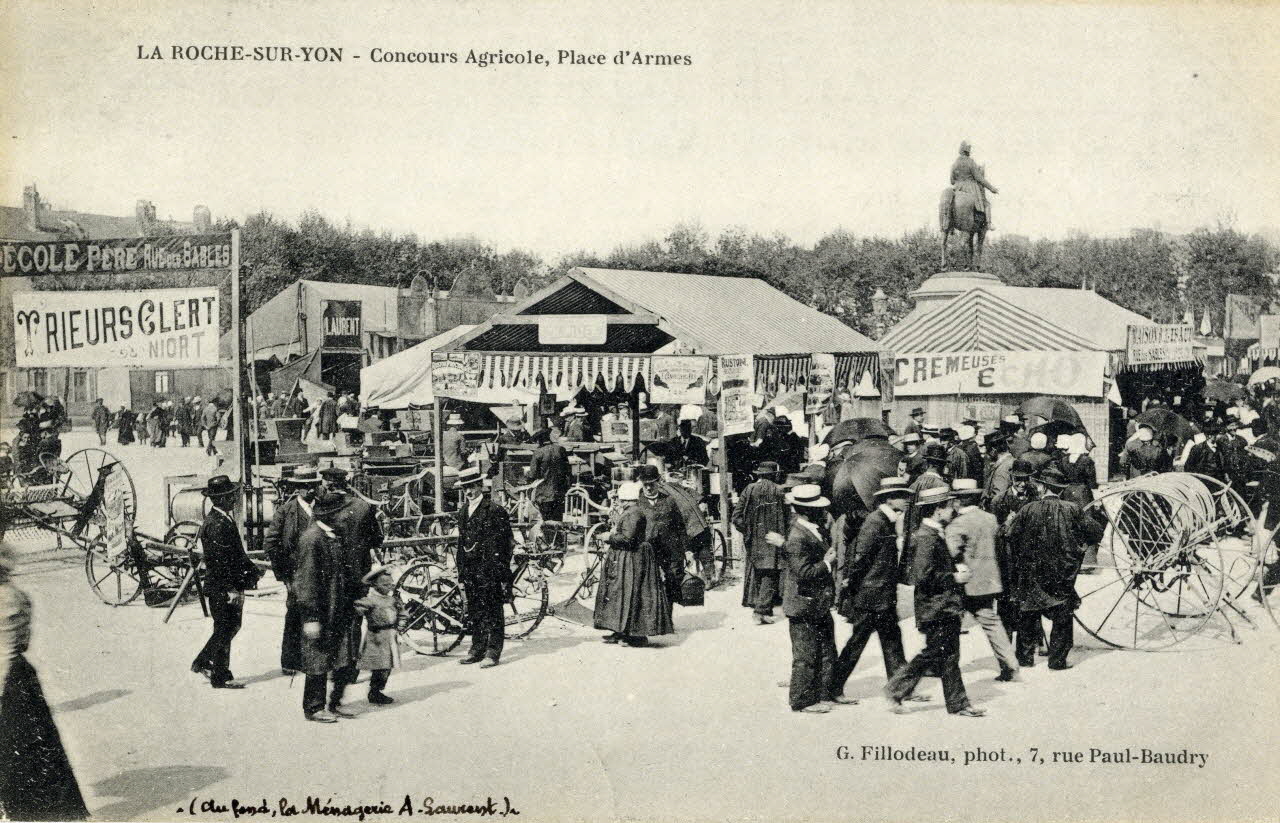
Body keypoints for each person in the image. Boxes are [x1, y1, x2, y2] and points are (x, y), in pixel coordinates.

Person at [0, 542, 91, 821]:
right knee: (31, 750)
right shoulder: (16, 597)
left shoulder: (9, 599)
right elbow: (22, 643)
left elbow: (9, 647)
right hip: (16, 678)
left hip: (6, 677)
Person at [885, 486, 985, 717]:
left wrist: (953, 568)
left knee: (947, 655)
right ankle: (896, 688)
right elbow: (922, 576)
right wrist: (954, 577)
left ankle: (957, 704)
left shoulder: (933, 533)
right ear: (938, 510)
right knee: (935, 653)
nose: (953, 510)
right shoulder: (927, 538)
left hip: (942, 605)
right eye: (950, 506)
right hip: (937, 606)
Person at [831, 478, 927, 701]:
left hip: (882, 595)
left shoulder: (887, 520)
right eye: (901, 496)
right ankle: (833, 688)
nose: (906, 501)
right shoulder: (876, 521)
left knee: (892, 642)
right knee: (856, 645)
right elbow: (862, 556)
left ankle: (901, 688)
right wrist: (851, 583)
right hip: (871, 596)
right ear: (888, 499)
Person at [1003, 465, 1104, 670]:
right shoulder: (1072, 509)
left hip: (1032, 570)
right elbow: (1095, 531)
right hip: (1061, 571)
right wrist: (1079, 545)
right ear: (1060, 489)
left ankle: (1025, 658)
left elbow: (1010, 535)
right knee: (1062, 615)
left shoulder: (1028, 509)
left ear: (1042, 487)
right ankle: (1057, 660)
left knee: (1028, 613)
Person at [775, 483, 848, 713]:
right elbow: (804, 572)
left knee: (826, 648)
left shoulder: (812, 529)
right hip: (803, 603)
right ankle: (802, 700)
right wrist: (828, 563)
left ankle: (825, 692)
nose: (823, 511)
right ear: (806, 510)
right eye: (818, 508)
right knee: (805, 654)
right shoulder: (798, 536)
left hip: (816, 602)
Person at [293, 492, 358, 722]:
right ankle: (313, 706)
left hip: (337, 607)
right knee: (317, 657)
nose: (346, 517)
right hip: (321, 609)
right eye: (342, 513)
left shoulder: (333, 535)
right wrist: (310, 616)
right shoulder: (313, 539)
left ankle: (335, 702)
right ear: (331, 515)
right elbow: (306, 580)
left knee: (341, 654)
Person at [190, 476, 260, 690]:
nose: (233, 499)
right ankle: (219, 675)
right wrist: (231, 589)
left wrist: (252, 572)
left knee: (228, 626)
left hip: (224, 585)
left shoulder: (221, 519)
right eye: (229, 496)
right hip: (223, 587)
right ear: (219, 499)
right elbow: (221, 562)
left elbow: (236, 555)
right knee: (225, 628)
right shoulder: (217, 524)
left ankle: (204, 662)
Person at [946, 479, 1020, 681]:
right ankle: (1010, 665)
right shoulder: (990, 519)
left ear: (958, 502)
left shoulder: (958, 524)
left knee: (949, 625)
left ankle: (941, 665)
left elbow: (950, 554)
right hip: (989, 581)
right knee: (992, 624)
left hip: (966, 583)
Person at [593, 481, 674, 646]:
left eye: (619, 499)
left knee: (632, 595)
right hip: (626, 558)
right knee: (620, 594)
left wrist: (608, 537)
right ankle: (619, 630)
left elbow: (627, 539)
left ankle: (635, 635)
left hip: (633, 559)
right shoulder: (631, 511)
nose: (617, 502)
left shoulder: (633, 513)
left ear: (625, 500)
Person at [264, 466, 321, 674]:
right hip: (295, 575)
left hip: (320, 573)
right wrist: (285, 576)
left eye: (312, 486)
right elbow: (271, 544)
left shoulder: (324, 508)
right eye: (304, 487)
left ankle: (315, 659)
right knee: (295, 616)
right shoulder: (285, 512)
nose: (310, 491)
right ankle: (290, 661)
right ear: (297, 489)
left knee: (319, 616)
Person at [454, 467, 514, 667]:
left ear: (480, 486)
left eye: (472, 487)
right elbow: (461, 543)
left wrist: (501, 573)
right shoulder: (463, 511)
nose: (469, 492)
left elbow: (506, 545)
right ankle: (477, 649)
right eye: (465, 488)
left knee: (493, 610)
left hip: (489, 570)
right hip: (471, 570)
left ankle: (493, 652)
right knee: (475, 610)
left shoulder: (495, 511)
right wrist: (461, 569)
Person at [733, 461, 789, 624]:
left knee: (759, 572)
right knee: (770, 574)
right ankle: (761, 611)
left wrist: (748, 532)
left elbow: (736, 517)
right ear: (774, 475)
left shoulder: (749, 489)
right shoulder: (779, 491)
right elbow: (787, 518)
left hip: (754, 540)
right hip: (774, 539)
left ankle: (761, 607)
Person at [635, 464, 687, 622]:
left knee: (670, 583)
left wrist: (686, 550)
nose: (649, 488)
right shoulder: (637, 502)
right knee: (647, 585)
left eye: (652, 483)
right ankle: (648, 620)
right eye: (646, 484)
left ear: (658, 482)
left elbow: (680, 527)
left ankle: (666, 619)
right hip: (647, 550)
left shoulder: (669, 501)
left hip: (670, 550)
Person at [899, 443, 949, 583]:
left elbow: (907, 513)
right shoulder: (943, 487)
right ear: (941, 465)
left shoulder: (915, 483)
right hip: (932, 538)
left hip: (913, 536)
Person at [353, 565, 401, 705]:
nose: (389, 587)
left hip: (390, 637)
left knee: (387, 666)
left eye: (391, 584)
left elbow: (402, 612)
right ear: (375, 585)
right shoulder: (370, 600)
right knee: (379, 666)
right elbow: (357, 608)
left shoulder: (393, 600)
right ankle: (374, 691)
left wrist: (401, 624)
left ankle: (378, 690)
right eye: (385, 584)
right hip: (376, 637)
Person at [949, 139, 999, 229]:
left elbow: (952, 181)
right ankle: (989, 224)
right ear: (968, 150)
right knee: (987, 204)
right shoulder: (970, 162)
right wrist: (992, 188)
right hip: (971, 188)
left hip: (957, 188)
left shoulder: (954, 164)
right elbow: (979, 178)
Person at [526, 428, 571, 521]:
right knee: (558, 520)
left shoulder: (538, 452)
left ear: (539, 441)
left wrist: (527, 475)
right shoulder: (561, 449)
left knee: (546, 520)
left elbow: (533, 474)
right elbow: (567, 470)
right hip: (559, 491)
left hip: (544, 493)